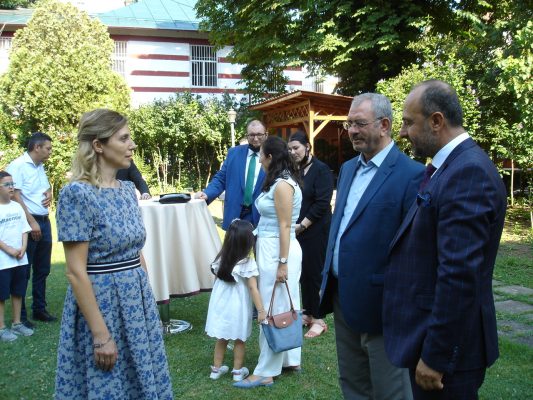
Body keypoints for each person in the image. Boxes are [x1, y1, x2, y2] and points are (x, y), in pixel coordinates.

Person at [383, 80, 507, 400]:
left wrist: (436, 356)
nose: (402, 132)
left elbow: (459, 275)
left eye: (408, 122)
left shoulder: (468, 173)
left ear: (436, 121)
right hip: (431, 338)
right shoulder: (450, 167)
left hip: (449, 355)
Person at [54, 109, 173, 399]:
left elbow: (136, 251)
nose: (132, 145)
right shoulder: (77, 195)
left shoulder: (128, 190)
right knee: (107, 382)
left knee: (140, 377)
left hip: (136, 301)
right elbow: (75, 271)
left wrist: (148, 303)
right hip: (102, 304)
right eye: (123, 138)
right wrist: (100, 335)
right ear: (98, 145)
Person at [319, 93, 423, 399]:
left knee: (390, 391)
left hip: (383, 307)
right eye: (349, 123)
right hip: (342, 297)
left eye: (360, 124)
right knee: (353, 386)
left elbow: (414, 252)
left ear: (384, 125)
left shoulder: (412, 175)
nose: (351, 131)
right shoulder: (348, 168)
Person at [234, 135, 303, 389]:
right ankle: (289, 358)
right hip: (273, 246)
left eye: (261, 154)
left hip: (277, 250)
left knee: (272, 307)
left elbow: (285, 226)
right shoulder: (278, 181)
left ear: (270, 157)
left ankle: (266, 371)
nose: (259, 158)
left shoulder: (283, 185)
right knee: (284, 303)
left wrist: (282, 263)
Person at [205, 219, 266, 382]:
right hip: (238, 307)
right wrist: (261, 310)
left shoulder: (221, 259)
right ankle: (237, 372)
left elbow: (217, 280)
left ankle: (216, 370)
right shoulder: (247, 263)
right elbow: (253, 288)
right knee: (239, 338)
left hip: (221, 305)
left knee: (222, 337)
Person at [288, 131, 333, 338]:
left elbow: (322, 203)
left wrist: (303, 225)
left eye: (296, 148)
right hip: (299, 230)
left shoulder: (321, 170)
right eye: (289, 149)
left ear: (307, 147)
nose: (292, 152)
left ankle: (318, 319)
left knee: (314, 273)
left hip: (316, 229)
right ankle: (307, 313)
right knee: (303, 272)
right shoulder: (294, 170)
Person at [7, 132, 55, 326]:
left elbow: (43, 189)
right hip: (29, 223)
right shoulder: (17, 166)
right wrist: (31, 222)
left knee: (43, 269)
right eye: (48, 148)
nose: (50, 152)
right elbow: (14, 196)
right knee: (24, 270)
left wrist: (50, 193)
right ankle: (21, 316)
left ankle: (39, 310)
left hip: (44, 220)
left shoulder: (40, 166)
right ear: (37, 147)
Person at [195, 120, 267, 230]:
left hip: (261, 216)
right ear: (247, 136)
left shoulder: (273, 156)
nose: (255, 138)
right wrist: (207, 193)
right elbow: (221, 178)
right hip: (234, 214)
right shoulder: (234, 153)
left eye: (259, 134)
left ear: (266, 135)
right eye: (252, 135)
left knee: (259, 242)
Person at [0, 171, 34, 342]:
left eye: (12, 184)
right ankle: (1, 328)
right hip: (3, 261)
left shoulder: (17, 206)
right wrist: (8, 250)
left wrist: (23, 247)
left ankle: (17, 323)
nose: (11, 187)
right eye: (7, 184)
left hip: (20, 258)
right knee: (1, 295)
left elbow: (24, 229)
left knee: (18, 291)